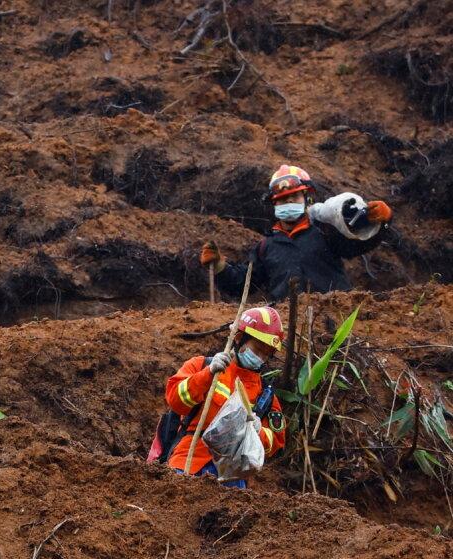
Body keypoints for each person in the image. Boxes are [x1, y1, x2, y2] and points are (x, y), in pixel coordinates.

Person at [201, 165, 394, 302]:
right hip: (289, 327)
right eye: (282, 199)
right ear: (274, 204)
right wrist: (219, 267)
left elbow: (356, 244)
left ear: (306, 198)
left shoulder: (324, 231)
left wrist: (380, 223)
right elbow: (244, 284)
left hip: (334, 316)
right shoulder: (266, 246)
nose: (288, 202)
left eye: (294, 196)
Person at [163, 306, 287, 488]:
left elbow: (275, 443)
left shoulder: (265, 395)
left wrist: (257, 431)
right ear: (238, 338)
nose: (260, 357)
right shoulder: (200, 365)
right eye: (258, 349)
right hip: (189, 462)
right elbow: (175, 400)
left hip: (231, 477)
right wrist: (207, 375)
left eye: (266, 354)